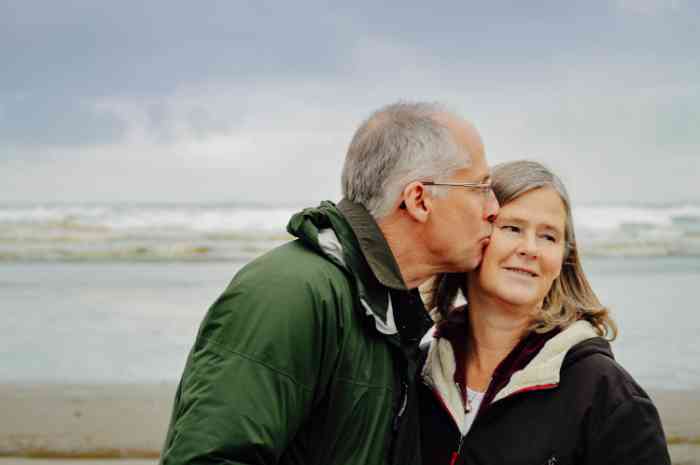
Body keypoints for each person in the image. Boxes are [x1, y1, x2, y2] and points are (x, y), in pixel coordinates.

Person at [159, 102, 499, 465]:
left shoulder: (385, 308)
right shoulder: (291, 293)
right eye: (480, 187)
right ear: (418, 200)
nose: (493, 208)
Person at [419, 160, 670, 465]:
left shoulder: (607, 394)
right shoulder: (420, 371)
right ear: (475, 236)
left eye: (548, 236)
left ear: (563, 259)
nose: (530, 248)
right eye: (512, 228)